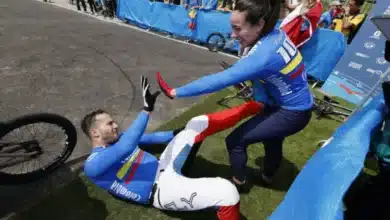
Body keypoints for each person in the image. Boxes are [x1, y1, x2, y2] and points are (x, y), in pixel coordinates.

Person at [156, 0, 313, 190]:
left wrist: (177, 91)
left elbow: (221, 79)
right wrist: (262, 99)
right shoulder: (275, 33)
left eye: (237, 29)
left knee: (235, 141)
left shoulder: (262, 56)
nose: (233, 34)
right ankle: (268, 175)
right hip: (293, 104)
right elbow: (266, 77)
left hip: (292, 111)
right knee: (273, 138)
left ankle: (240, 182)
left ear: (259, 24)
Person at [82, 76, 265, 219]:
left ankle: (256, 106)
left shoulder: (119, 139)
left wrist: (179, 133)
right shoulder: (93, 164)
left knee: (196, 123)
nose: (115, 126)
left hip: (165, 166)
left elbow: (151, 138)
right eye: (109, 124)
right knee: (227, 192)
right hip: (162, 191)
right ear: (95, 133)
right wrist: (146, 110)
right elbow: (126, 147)